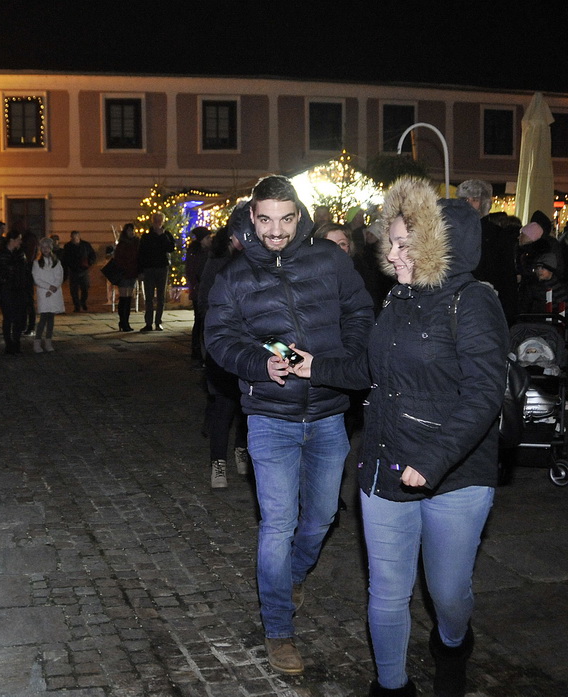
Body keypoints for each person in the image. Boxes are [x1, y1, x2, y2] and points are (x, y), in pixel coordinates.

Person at [290, 177, 508, 697]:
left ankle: (453, 643)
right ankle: (391, 687)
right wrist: (313, 366)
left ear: (439, 246)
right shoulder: (397, 298)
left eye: (405, 244)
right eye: (391, 243)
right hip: (385, 466)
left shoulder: (474, 302)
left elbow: (483, 396)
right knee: (386, 593)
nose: (393, 254)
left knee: (447, 593)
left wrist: (435, 459)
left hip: (455, 476)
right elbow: (370, 365)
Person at [204, 174, 373, 674]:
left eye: (286, 218)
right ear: (251, 219)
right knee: (277, 524)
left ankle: (294, 575)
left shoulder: (330, 260)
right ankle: (279, 628)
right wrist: (261, 365)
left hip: (327, 413)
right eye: (265, 219)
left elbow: (360, 310)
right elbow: (219, 338)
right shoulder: (233, 276)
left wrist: (341, 359)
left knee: (320, 517)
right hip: (270, 419)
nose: (276, 230)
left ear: (298, 215)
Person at [198, 224, 248, 488]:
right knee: (223, 407)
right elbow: (205, 306)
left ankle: (241, 449)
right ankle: (218, 462)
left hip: (247, 347)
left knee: (246, 407)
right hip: (222, 347)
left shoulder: (254, 262)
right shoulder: (217, 265)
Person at [457, 179, 518, 326]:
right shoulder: (453, 232)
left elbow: (507, 277)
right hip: (458, 302)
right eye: (465, 199)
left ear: (483, 203)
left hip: (488, 303)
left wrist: (507, 314)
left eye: (475, 200)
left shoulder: (498, 235)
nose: (469, 204)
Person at [0, 229, 30, 355]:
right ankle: (8, 344)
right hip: (5, 289)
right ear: (12, 240)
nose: (20, 242)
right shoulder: (0, 254)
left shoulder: (20, 254)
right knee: (8, 317)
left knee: (19, 317)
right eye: (18, 239)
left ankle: (16, 343)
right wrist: (5, 279)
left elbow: (25, 271)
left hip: (19, 289)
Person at [137, 212, 175, 331]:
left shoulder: (167, 234)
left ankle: (158, 322)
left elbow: (171, 248)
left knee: (161, 296)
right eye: (156, 220)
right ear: (153, 221)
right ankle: (148, 323)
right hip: (149, 269)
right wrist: (141, 270)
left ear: (163, 222)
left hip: (162, 268)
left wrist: (163, 236)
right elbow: (141, 254)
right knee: (148, 297)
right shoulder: (146, 236)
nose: (158, 223)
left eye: (160, 221)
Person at [31, 236, 64, 352]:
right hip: (44, 293)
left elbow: (59, 276)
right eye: (43, 247)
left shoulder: (56, 262)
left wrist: (54, 287)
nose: (45, 249)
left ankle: (48, 342)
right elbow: (37, 278)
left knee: (51, 319)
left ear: (51, 248)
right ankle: (37, 342)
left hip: (54, 293)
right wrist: (49, 287)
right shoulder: (36, 263)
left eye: (47, 247)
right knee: (43, 318)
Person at [186, 226, 212, 364]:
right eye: (208, 238)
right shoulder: (196, 253)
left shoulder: (209, 252)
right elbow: (192, 272)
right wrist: (197, 286)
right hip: (199, 292)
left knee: (202, 321)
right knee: (199, 321)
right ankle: (197, 350)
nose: (210, 240)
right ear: (201, 240)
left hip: (205, 291)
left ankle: (201, 351)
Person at [111, 222, 140, 331]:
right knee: (123, 298)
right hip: (123, 273)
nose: (131, 232)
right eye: (129, 230)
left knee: (129, 298)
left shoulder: (137, 242)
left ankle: (125, 321)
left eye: (132, 230)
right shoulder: (122, 244)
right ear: (125, 232)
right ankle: (123, 321)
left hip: (132, 272)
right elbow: (118, 259)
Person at [61, 230, 96, 312]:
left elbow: (92, 255)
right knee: (74, 290)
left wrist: (89, 262)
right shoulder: (68, 246)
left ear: (79, 237)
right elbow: (65, 258)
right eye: (73, 237)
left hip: (84, 270)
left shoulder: (86, 245)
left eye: (76, 237)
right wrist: (68, 266)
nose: (74, 239)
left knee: (85, 288)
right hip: (73, 271)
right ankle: (77, 305)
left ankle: (83, 302)